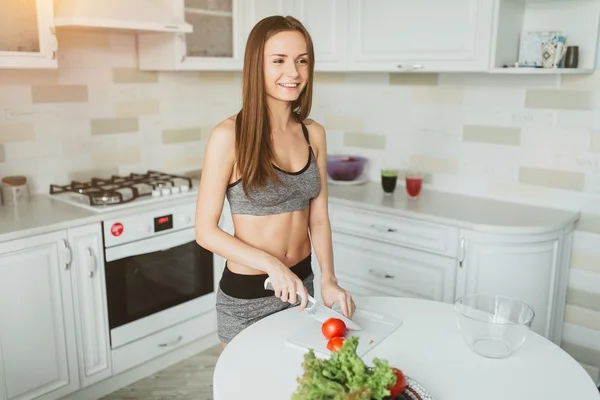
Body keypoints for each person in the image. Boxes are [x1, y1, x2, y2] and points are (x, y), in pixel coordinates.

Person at [194, 15, 355, 348]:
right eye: (279, 61)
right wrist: (271, 264)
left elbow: (319, 218)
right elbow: (205, 232)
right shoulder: (229, 136)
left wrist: (330, 279)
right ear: (257, 65)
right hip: (248, 297)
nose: (293, 73)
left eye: (302, 61)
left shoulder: (314, 134)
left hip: (301, 285)